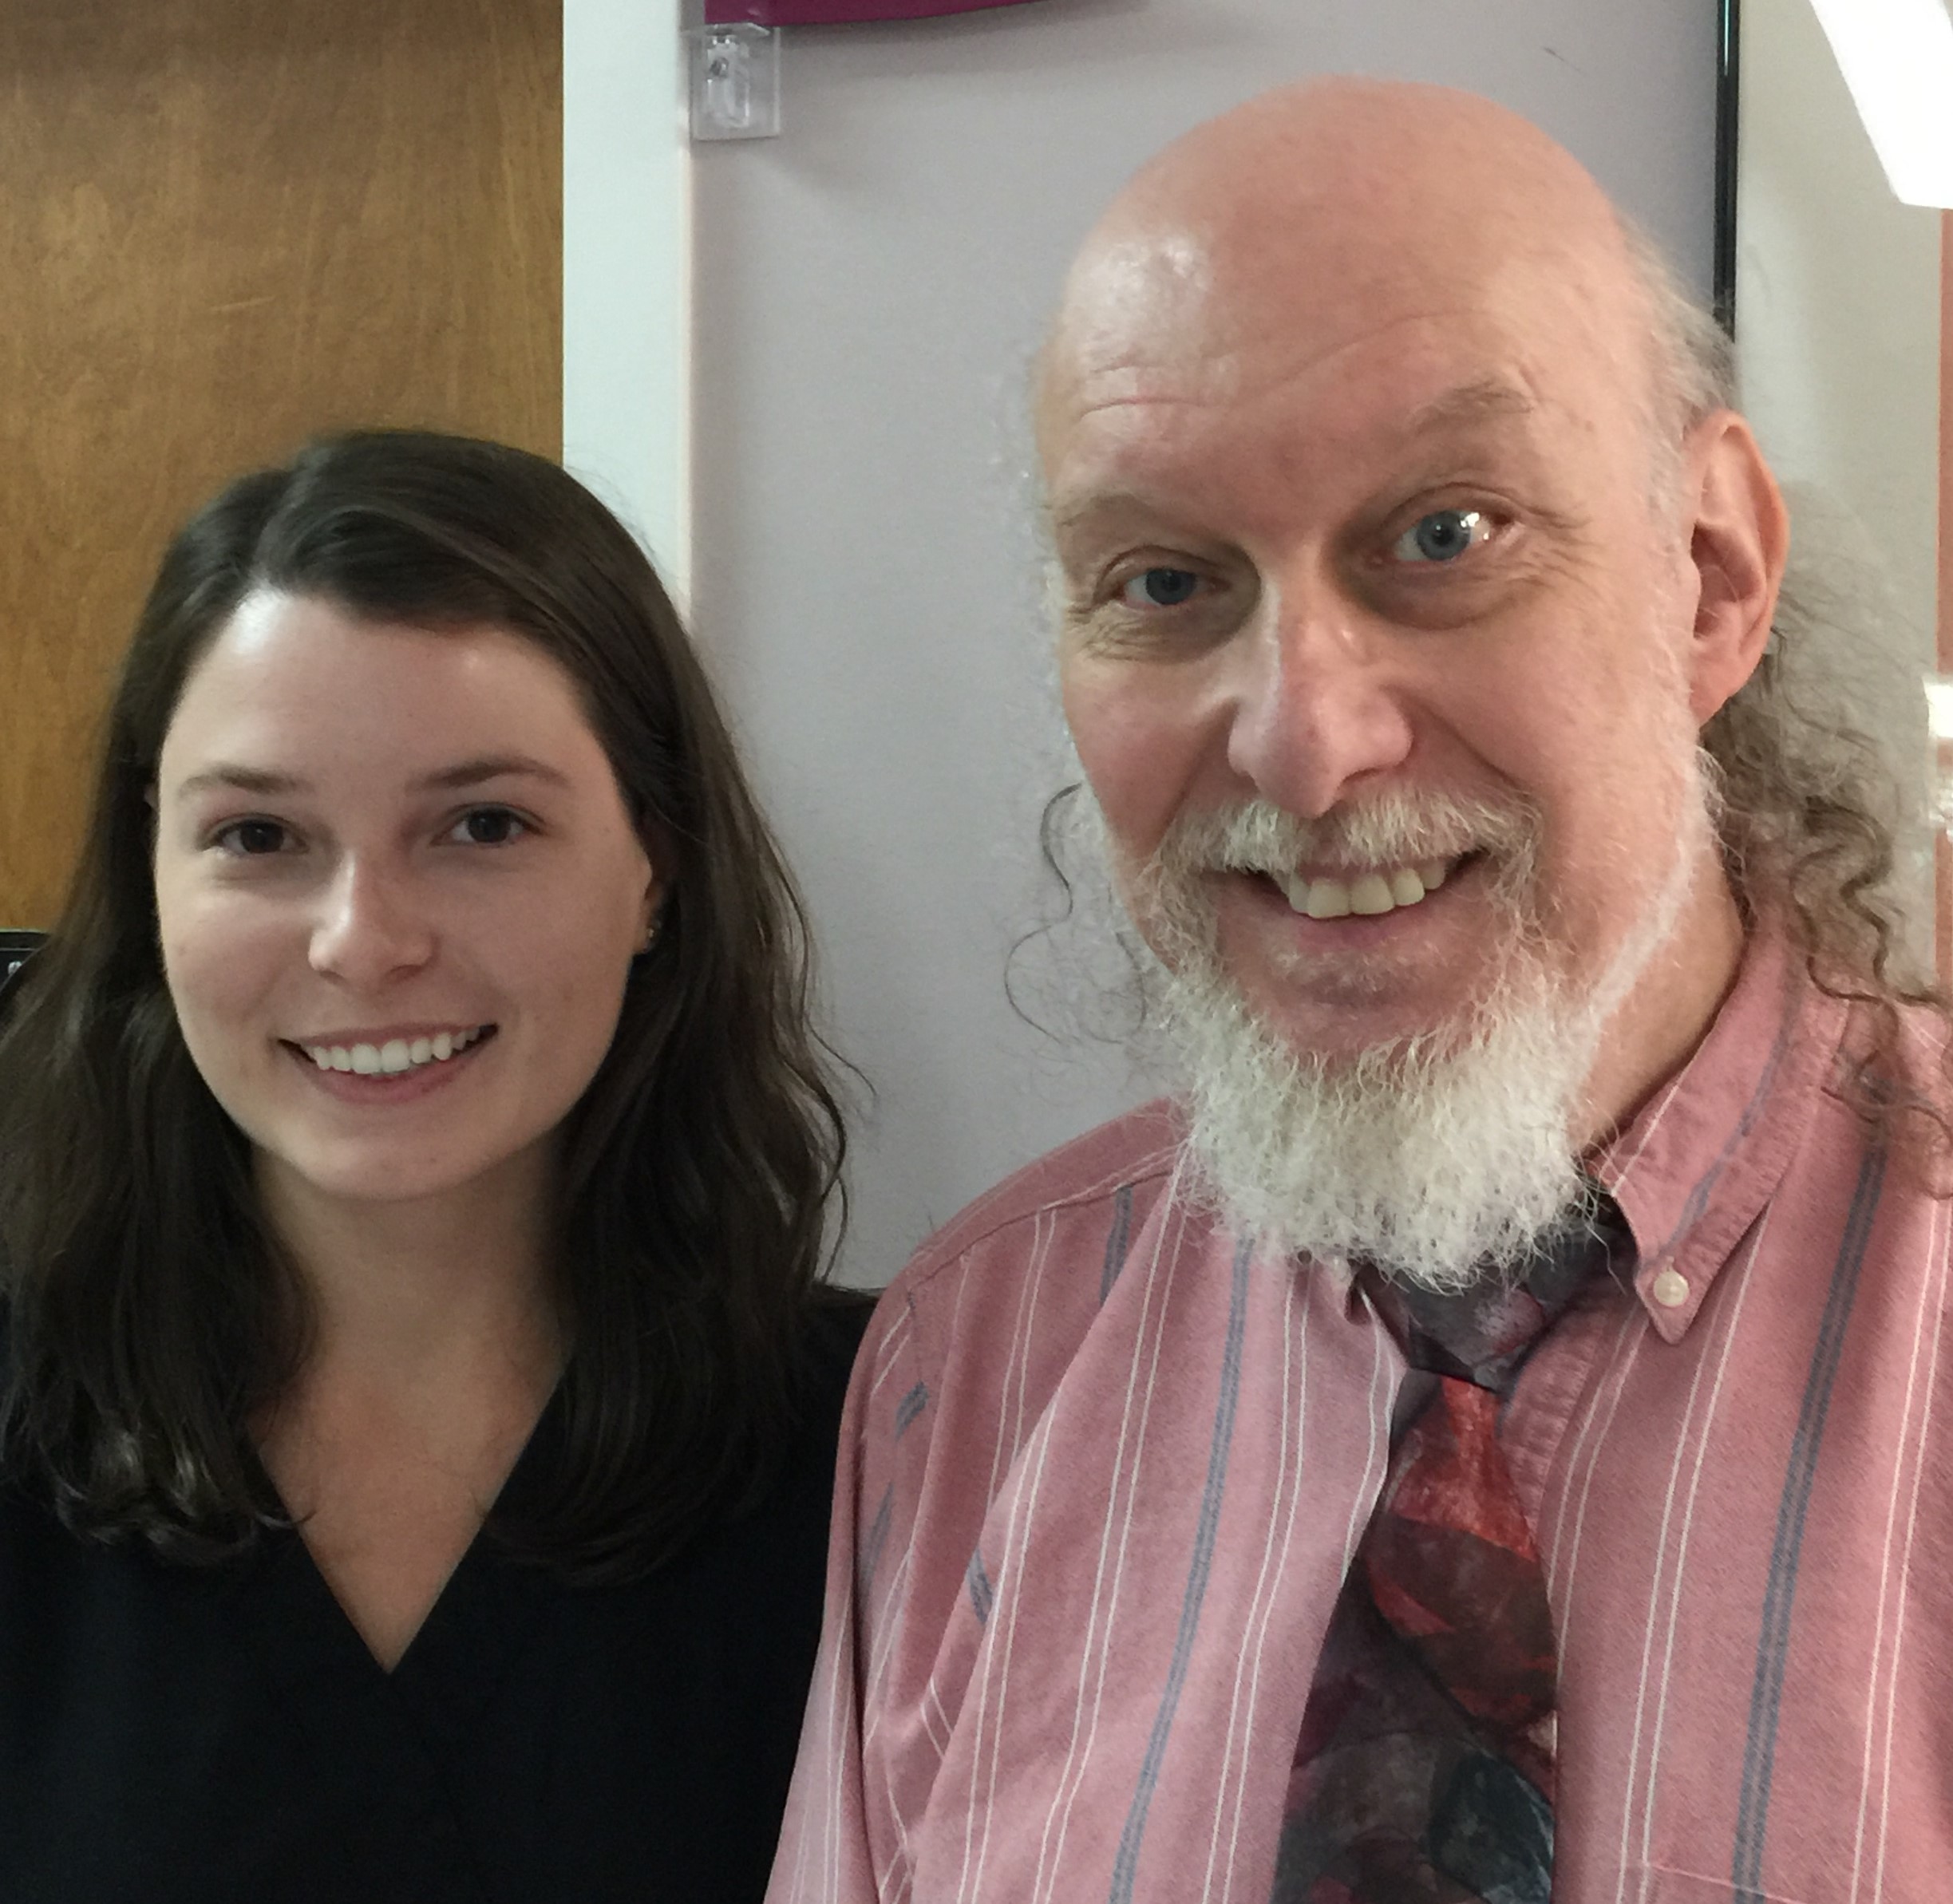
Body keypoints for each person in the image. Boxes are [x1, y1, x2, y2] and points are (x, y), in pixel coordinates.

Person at [768, 80, 1953, 1904]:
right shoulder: (970, 1371)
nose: (1307, 740)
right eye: (1163, 579)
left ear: (1711, 579)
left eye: (1448, 534)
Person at [0, 430, 868, 1903]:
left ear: (654, 865)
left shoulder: (898, 1453)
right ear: (152, 877)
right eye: (260, 834)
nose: (365, 939)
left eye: (483, 824)